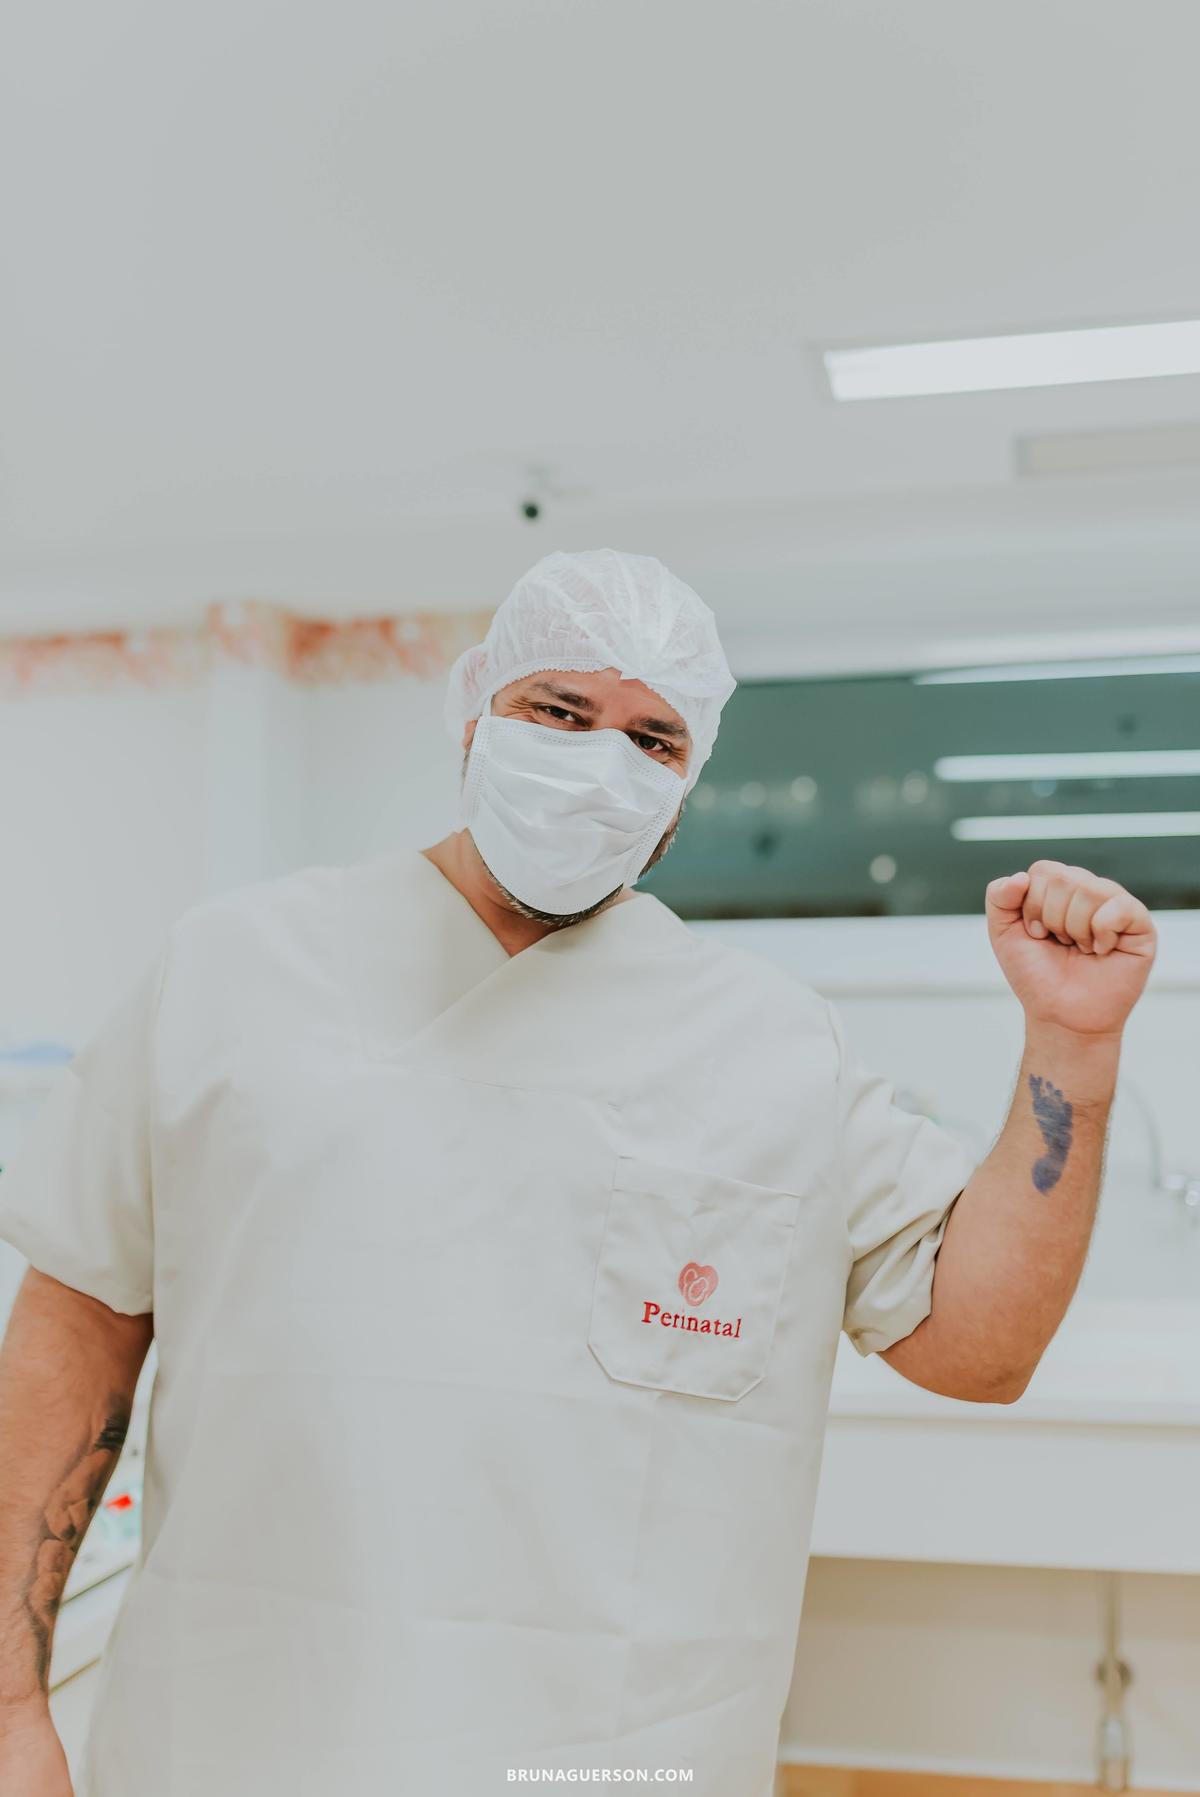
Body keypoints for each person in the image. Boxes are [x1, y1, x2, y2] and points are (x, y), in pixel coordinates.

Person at [0, 548, 1157, 1796]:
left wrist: (1072, 1051)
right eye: (559, 712)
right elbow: (76, 1331)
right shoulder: (231, 971)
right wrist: (13, 1699)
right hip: (243, 1734)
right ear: (471, 711)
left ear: (682, 792)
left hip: (612, 1758)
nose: (600, 762)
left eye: (653, 740)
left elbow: (982, 1350)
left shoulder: (771, 1047)